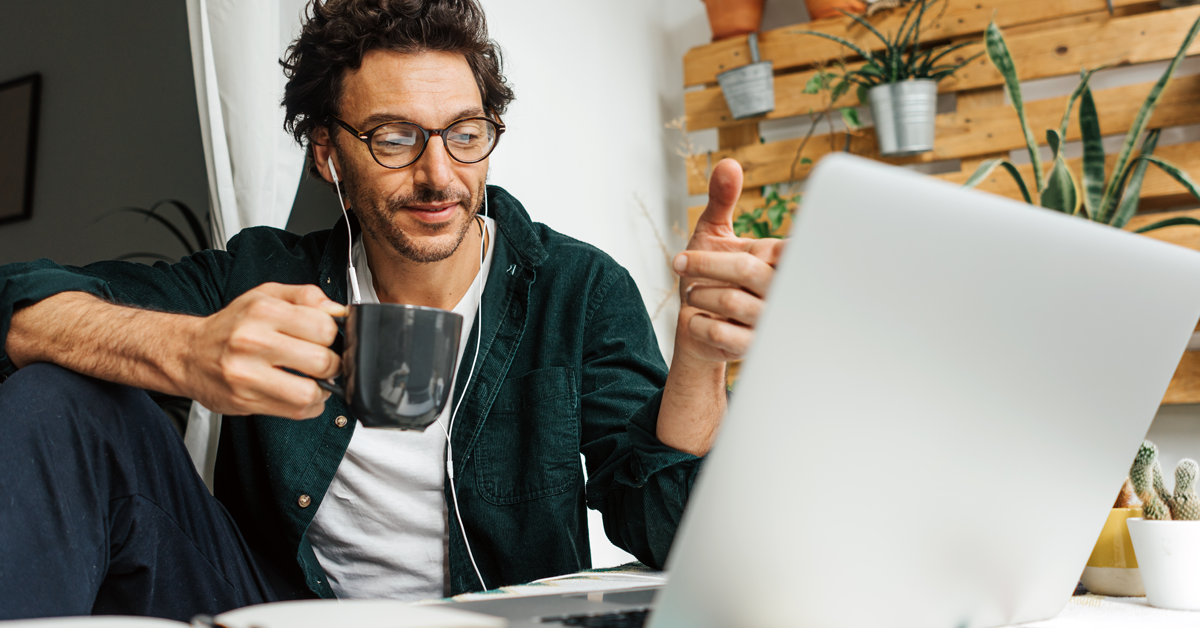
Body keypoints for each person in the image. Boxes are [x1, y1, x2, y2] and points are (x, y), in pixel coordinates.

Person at [0, 0, 783, 621]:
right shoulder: (262, 275)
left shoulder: (575, 288)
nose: (439, 175)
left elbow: (673, 532)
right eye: (395, 138)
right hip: (274, 610)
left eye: (465, 135)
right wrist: (189, 349)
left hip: (488, 623)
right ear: (327, 152)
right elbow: (17, 300)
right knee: (57, 395)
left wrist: (702, 356)